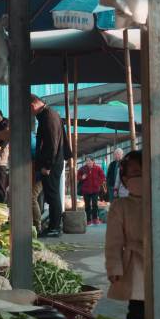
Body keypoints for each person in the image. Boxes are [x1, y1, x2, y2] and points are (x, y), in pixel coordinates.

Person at [105, 150, 144, 319]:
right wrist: (114, 267)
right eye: (134, 174)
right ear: (124, 179)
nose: (139, 177)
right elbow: (113, 242)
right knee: (137, 309)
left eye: (143, 172)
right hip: (135, 263)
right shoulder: (119, 206)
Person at [31, 94, 71, 238]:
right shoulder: (49, 114)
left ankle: (55, 227)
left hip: (52, 163)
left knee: (53, 195)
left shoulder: (48, 117)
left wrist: (47, 165)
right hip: (54, 161)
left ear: (33, 105)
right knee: (51, 194)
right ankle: (54, 226)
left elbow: (51, 144)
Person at [78, 156, 106, 225]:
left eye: (89, 161)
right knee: (87, 205)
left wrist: (98, 183)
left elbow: (103, 177)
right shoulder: (82, 168)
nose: (88, 162)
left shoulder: (98, 168)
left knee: (94, 204)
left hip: (95, 190)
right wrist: (82, 177)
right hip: (86, 190)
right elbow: (78, 176)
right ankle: (88, 220)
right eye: (87, 161)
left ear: (93, 161)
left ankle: (95, 219)